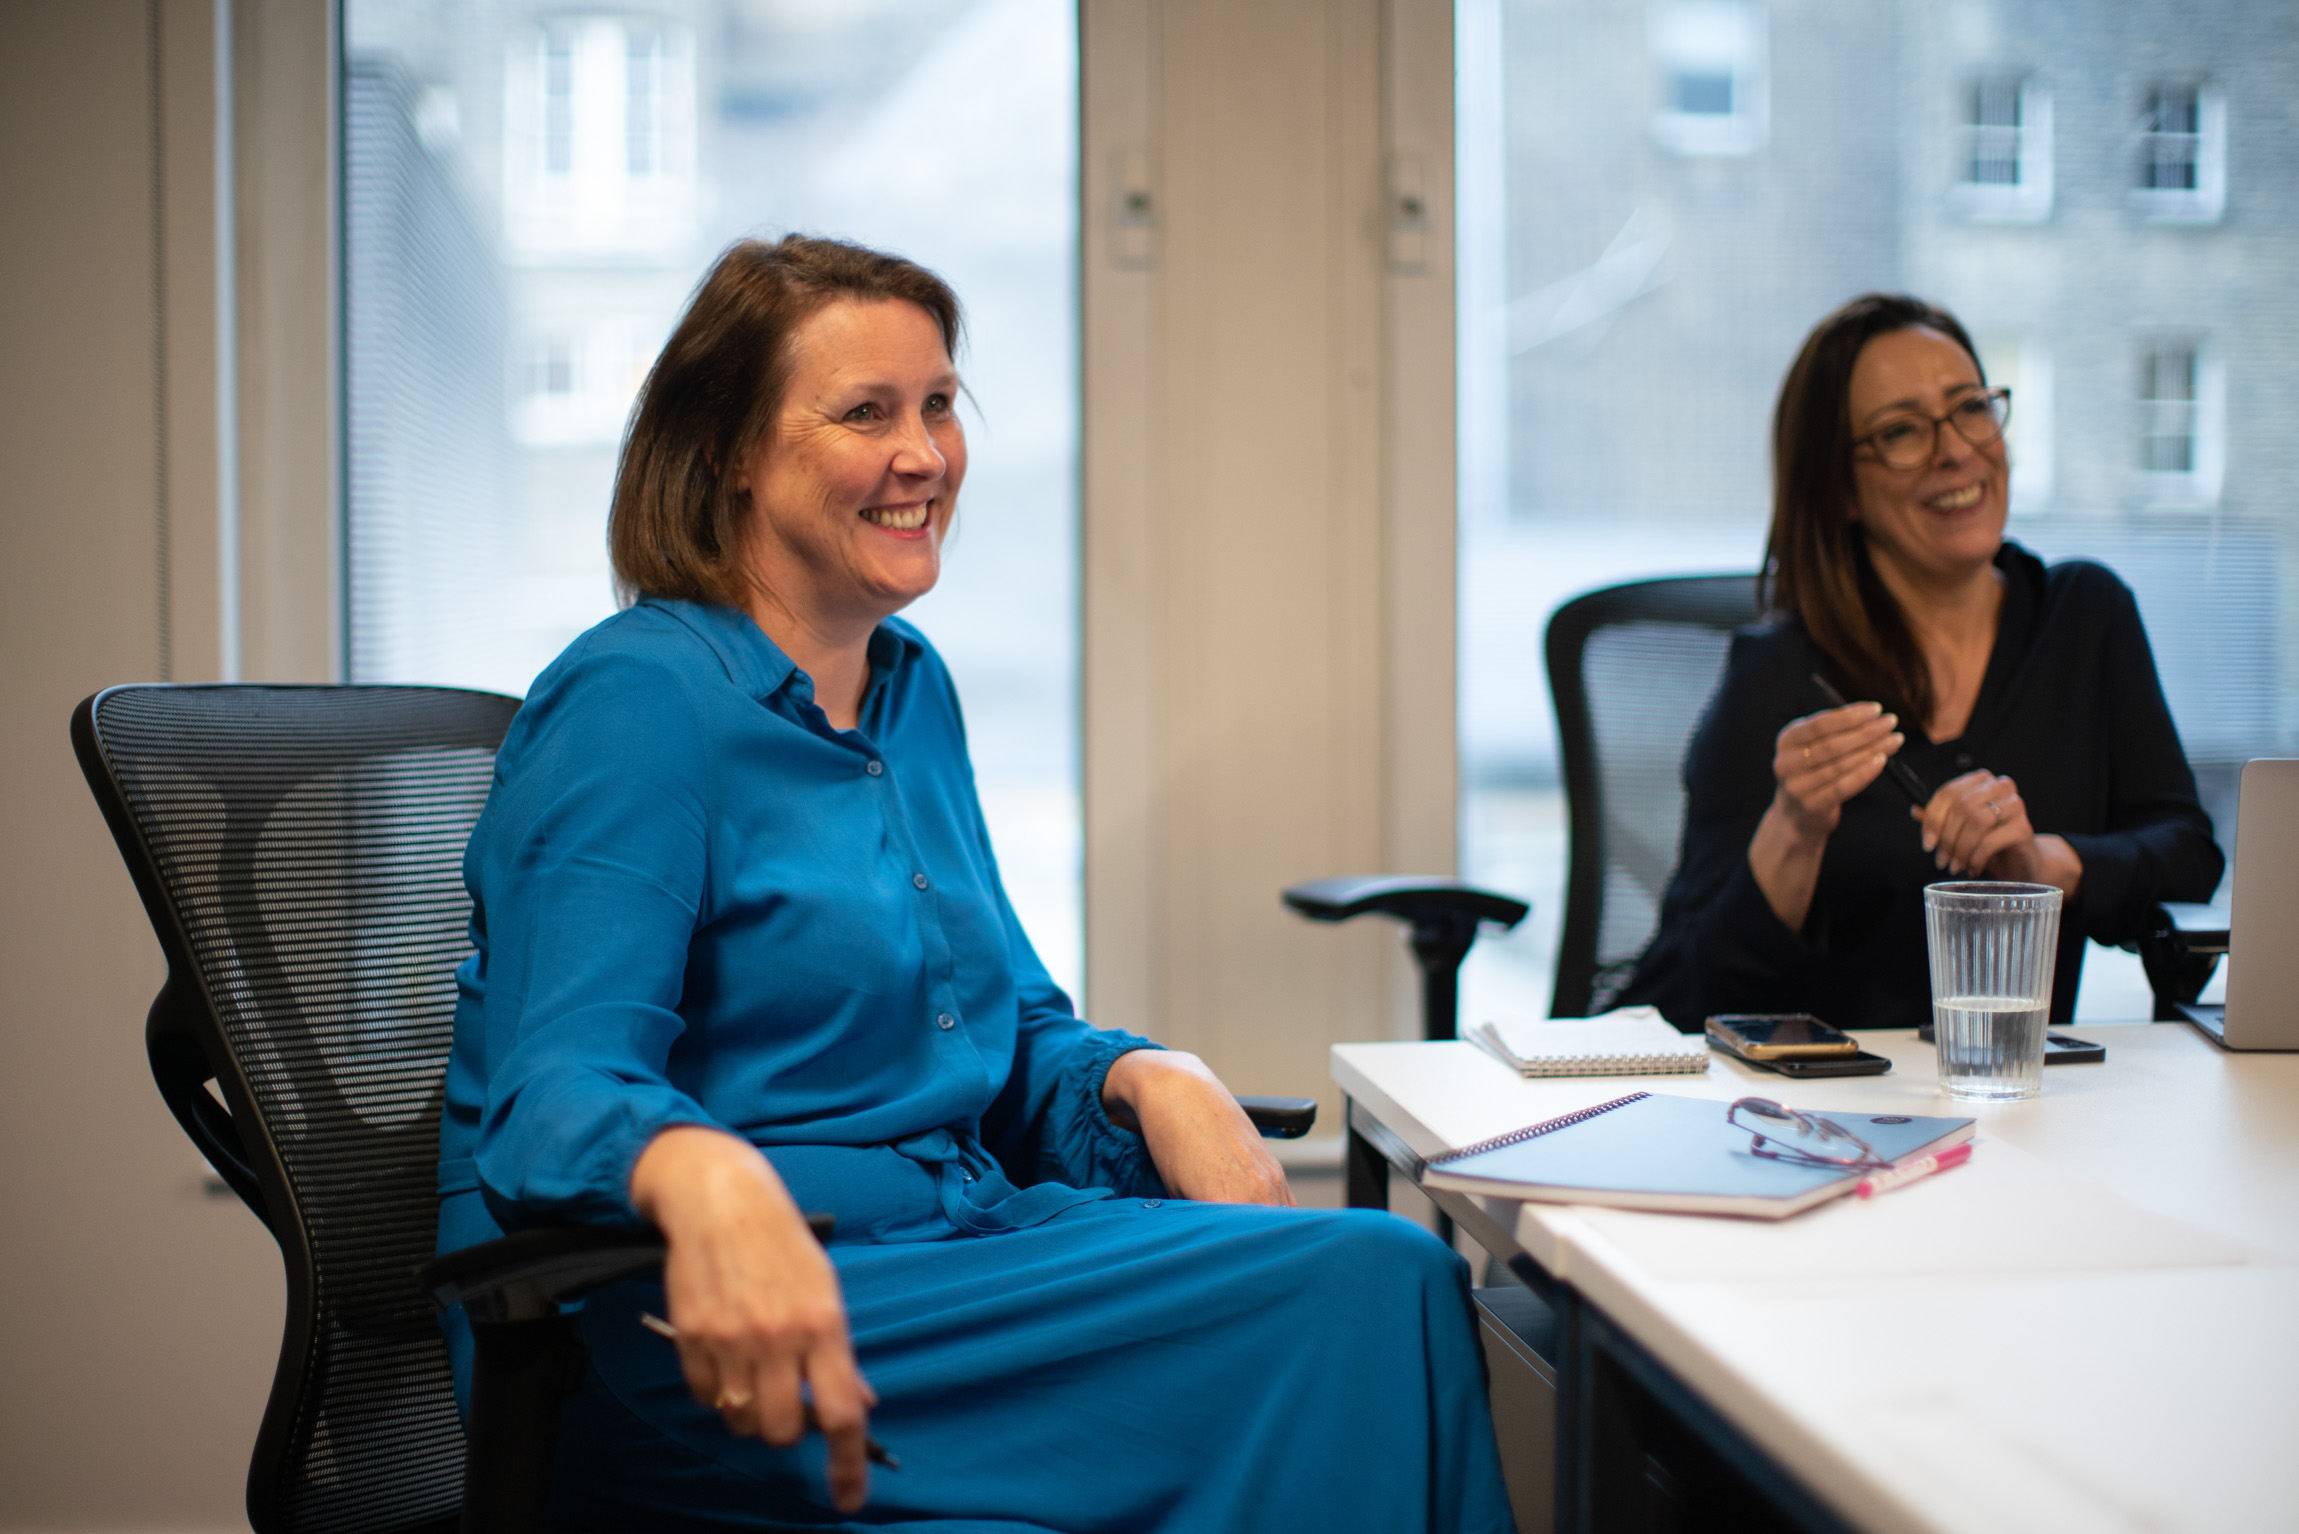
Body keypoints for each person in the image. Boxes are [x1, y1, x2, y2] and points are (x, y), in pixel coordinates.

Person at [434, 234, 1513, 1533]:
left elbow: (996, 1040)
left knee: (1387, 1277)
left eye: (939, 404)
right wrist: (702, 1170)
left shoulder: (909, 688)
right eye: (865, 413)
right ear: (726, 448)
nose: (923, 454)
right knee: (1363, 1288)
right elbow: (556, 1093)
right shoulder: (637, 701)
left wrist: (1137, 1074)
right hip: (726, 1321)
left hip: (956, 1250)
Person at [1626, 293, 2222, 1033]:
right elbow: (1686, 993)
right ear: (1841, 488)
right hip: (1817, 1118)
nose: (1954, 449)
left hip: (2016, 1099)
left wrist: (2046, 865)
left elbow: (2187, 854)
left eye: (1970, 407)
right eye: (1900, 431)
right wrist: (1794, 829)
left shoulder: (2083, 613)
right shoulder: (1778, 675)